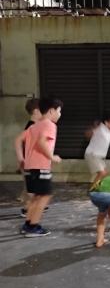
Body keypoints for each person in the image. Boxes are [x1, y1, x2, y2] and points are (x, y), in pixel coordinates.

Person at [14, 95, 63, 237]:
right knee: (44, 196)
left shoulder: (34, 126)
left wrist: (21, 158)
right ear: (52, 110)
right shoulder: (50, 125)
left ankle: (28, 224)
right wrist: (52, 157)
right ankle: (32, 227)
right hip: (40, 166)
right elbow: (42, 142)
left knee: (36, 197)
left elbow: (18, 139)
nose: (60, 114)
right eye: (59, 111)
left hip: (30, 167)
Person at [85, 111, 110, 236]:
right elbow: (89, 133)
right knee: (101, 172)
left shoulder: (109, 130)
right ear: (106, 123)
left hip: (98, 156)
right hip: (92, 155)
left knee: (105, 172)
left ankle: (96, 188)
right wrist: (93, 129)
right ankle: (92, 191)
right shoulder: (101, 129)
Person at [19, 98, 42, 218]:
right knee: (32, 188)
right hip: (31, 162)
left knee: (31, 186)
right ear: (36, 111)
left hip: (30, 161)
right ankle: (27, 209)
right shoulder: (32, 127)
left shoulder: (32, 126)